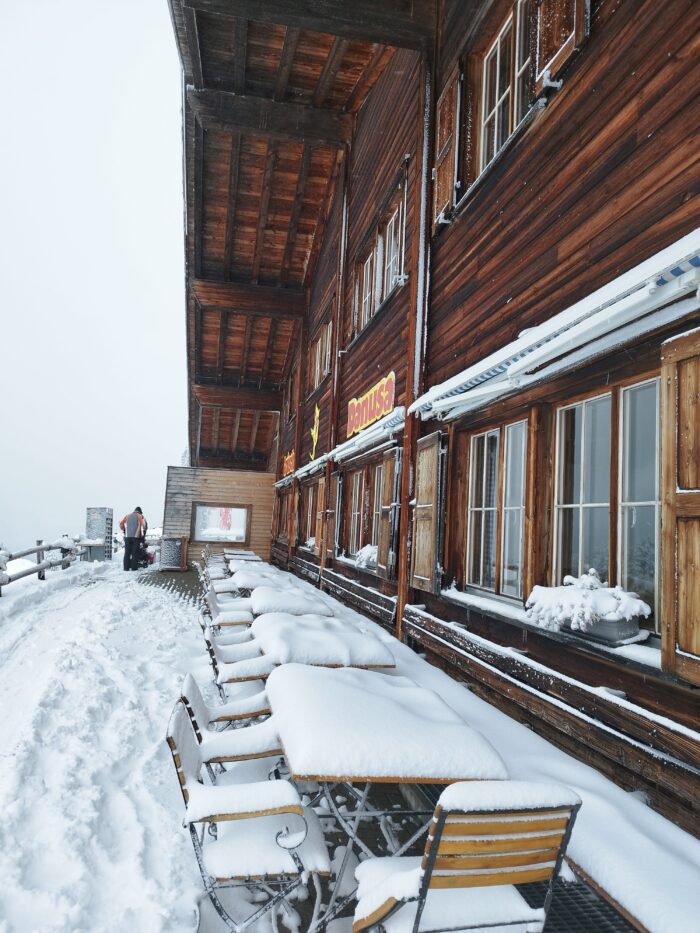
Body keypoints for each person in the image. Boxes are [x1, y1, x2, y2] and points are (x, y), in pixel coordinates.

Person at [119, 507, 146, 571]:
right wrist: (143, 533)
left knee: (127, 553)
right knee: (134, 553)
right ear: (140, 512)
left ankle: (126, 568)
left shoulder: (127, 515)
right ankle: (134, 568)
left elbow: (121, 524)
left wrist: (124, 529)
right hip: (136, 537)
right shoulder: (140, 516)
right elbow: (144, 525)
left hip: (127, 537)